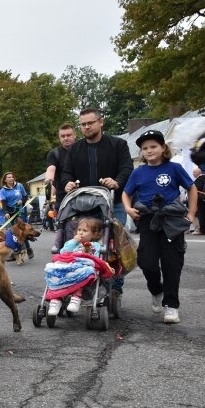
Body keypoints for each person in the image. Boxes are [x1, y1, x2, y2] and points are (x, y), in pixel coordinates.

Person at [122, 130, 196, 324]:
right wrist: (128, 209)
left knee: (172, 263)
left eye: (153, 146)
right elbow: (126, 193)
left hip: (171, 220)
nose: (149, 150)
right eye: (145, 148)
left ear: (163, 148)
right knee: (147, 262)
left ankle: (171, 306)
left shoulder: (174, 168)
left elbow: (192, 187)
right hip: (147, 220)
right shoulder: (138, 172)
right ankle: (157, 290)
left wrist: (191, 214)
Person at [62, 107, 133, 306]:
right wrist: (67, 182)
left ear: (101, 122)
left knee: (114, 247)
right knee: (81, 245)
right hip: (84, 206)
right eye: (83, 124)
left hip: (113, 202)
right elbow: (66, 172)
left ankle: (115, 289)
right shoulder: (75, 149)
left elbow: (127, 168)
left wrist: (117, 181)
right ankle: (80, 284)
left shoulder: (118, 144)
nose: (86, 127)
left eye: (90, 123)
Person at [45, 218, 104, 316]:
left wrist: (87, 249)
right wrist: (74, 241)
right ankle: (56, 300)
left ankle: (76, 298)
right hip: (68, 265)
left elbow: (94, 258)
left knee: (82, 273)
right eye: (79, 230)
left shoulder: (95, 245)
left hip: (82, 266)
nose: (81, 233)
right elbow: (63, 252)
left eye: (85, 231)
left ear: (94, 235)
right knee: (54, 271)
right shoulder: (72, 243)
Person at [46, 122, 76, 249]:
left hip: (83, 196)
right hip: (62, 198)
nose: (66, 138)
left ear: (75, 135)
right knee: (62, 227)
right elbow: (51, 169)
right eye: (63, 136)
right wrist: (48, 179)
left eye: (69, 135)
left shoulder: (82, 150)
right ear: (59, 138)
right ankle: (62, 251)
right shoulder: (55, 153)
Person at [0, 172, 32, 258]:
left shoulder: (19, 186)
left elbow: (25, 196)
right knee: (12, 233)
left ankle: (28, 249)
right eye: (9, 177)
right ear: (5, 180)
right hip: (10, 212)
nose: (11, 178)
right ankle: (14, 253)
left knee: (22, 231)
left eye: (12, 177)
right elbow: (4, 203)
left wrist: (22, 201)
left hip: (20, 211)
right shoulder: (3, 190)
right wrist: (5, 212)